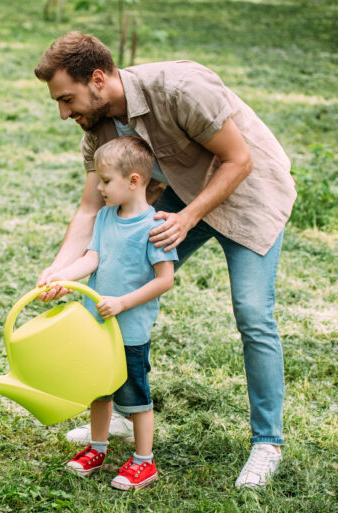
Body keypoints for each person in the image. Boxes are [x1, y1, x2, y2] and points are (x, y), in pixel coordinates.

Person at [33, 32, 295, 488]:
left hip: (248, 192)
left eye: (67, 98)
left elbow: (238, 159)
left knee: (253, 314)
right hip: (178, 192)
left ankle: (267, 443)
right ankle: (120, 407)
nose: (63, 112)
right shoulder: (97, 128)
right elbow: (90, 208)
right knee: (114, 287)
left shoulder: (179, 88)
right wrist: (60, 270)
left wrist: (189, 217)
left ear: (97, 79)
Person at [41, 136, 177, 490]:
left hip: (128, 331)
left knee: (136, 398)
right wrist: (62, 277)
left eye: (105, 180)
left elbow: (165, 280)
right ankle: (97, 448)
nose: (98, 187)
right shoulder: (104, 218)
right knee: (99, 391)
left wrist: (122, 302)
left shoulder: (155, 227)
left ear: (133, 181)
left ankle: (144, 462)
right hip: (97, 327)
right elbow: (92, 258)